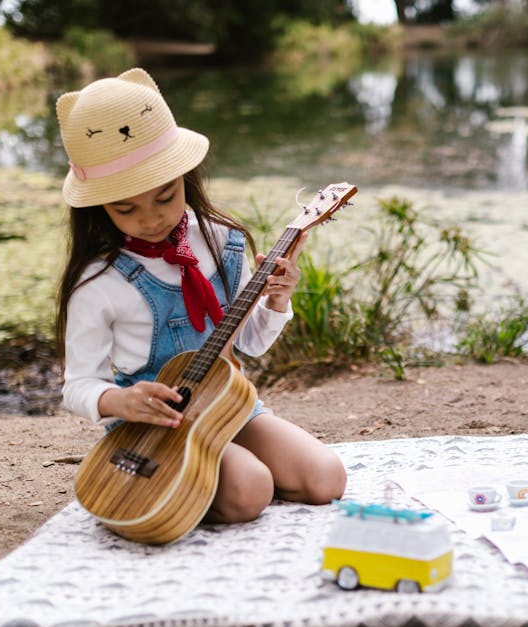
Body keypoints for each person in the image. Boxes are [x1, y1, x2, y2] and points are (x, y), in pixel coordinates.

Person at [54, 68, 346, 524]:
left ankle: (203, 477)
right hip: (152, 425)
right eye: (125, 208)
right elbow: (78, 385)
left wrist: (275, 302)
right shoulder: (99, 282)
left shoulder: (224, 242)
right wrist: (118, 402)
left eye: (165, 197)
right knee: (251, 489)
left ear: (185, 178)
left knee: (326, 478)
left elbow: (246, 344)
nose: (151, 218)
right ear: (98, 207)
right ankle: (168, 481)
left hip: (229, 408)